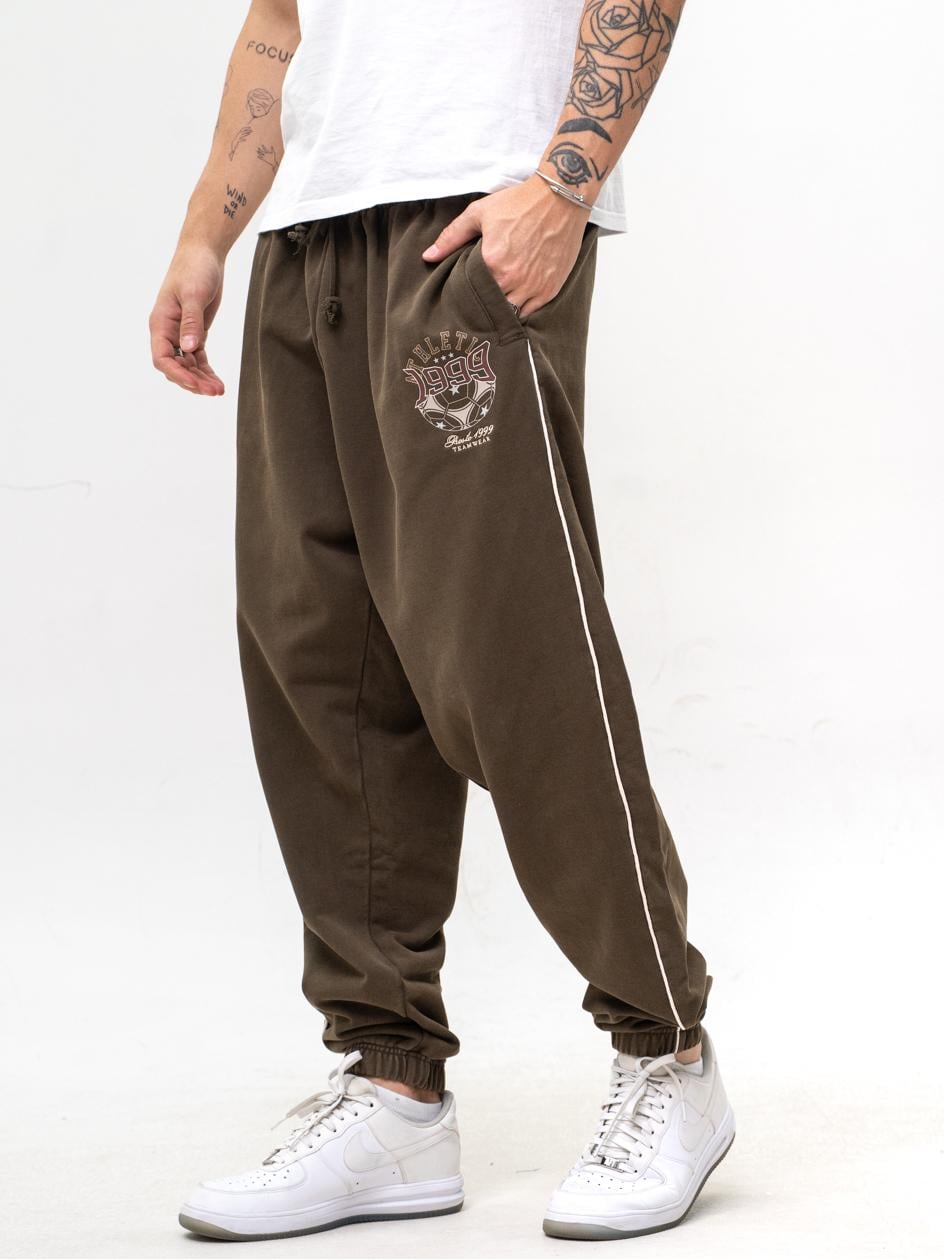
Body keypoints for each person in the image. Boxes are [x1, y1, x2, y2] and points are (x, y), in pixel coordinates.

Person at [150, 0, 734, 1242]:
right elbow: (279, 22)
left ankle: (665, 1049)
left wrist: (562, 184)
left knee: (513, 657)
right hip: (308, 238)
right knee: (319, 663)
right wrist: (208, 231)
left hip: (471, 220)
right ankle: (391, 1084)